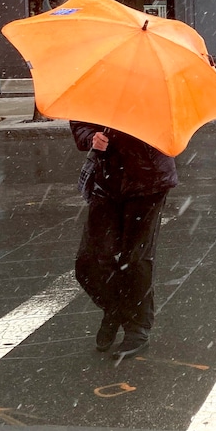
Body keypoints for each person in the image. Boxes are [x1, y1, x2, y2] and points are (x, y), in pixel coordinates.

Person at [72, 121, 177, 356]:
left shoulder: (155, 89)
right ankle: (114, 309)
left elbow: (172, 132)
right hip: (106, 179)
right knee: (90, 260)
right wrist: (92, 138)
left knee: (136, 258)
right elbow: (79, 122)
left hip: (148, 179)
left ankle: (137, 329)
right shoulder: (95, 86)